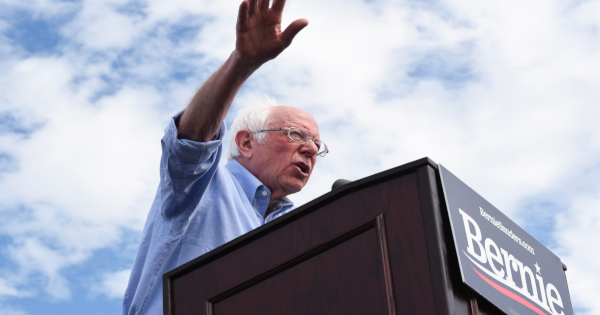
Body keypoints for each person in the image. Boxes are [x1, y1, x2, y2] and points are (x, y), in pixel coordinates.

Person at [122, 0, 327, 314]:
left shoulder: (301, 230)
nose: (311, 149)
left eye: (316, 143)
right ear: (246, 142)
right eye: (296, 134)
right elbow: (190, 143)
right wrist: (242, 63)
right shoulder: (198, 185)